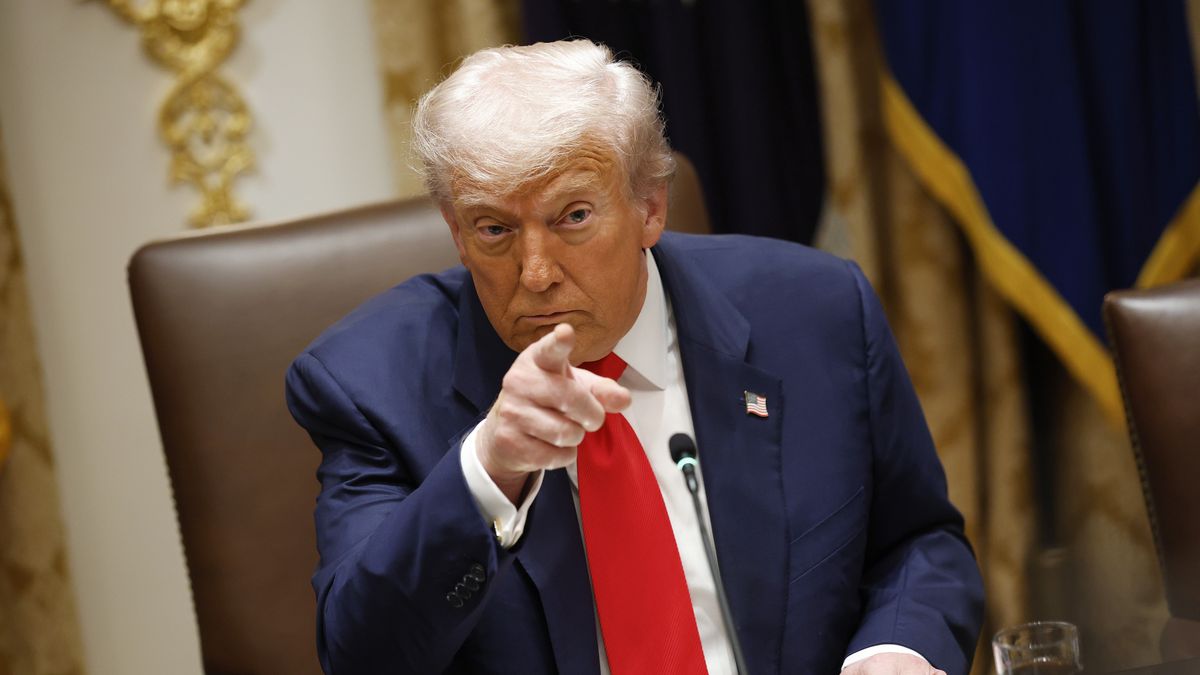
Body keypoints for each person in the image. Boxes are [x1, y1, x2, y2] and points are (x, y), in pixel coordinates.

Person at [286, 39, 984, 675]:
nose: (535, 272)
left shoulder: (816, 315)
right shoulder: (368, 385)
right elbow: (363, 658)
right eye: (494, 229)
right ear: (457, 234)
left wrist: (897, 648)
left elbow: (917, 541)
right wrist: (488, 469)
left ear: (650, 206)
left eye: (573, 217)